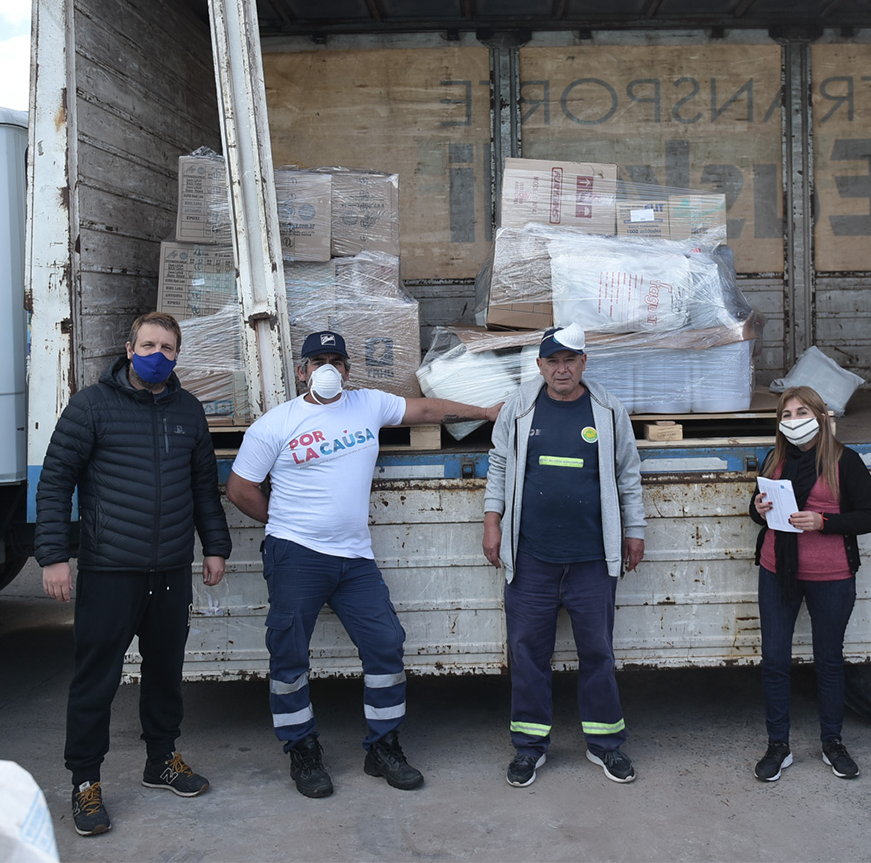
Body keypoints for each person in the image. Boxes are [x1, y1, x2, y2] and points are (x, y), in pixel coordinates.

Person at [225, 330, 501, 799]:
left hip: (354, 557)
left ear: (349, 370)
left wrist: (486, 412)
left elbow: (427, 410)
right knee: (289, 655)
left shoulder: (368, 405)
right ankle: (302, 750)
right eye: (317, 361)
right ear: (301, 371)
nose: (327, 369)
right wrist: (287, 523)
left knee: (386, 644)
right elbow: (240, 488)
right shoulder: (276, 424)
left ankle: (383, 747)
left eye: (336, 360)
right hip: (296, 554)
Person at [33, 311, 233, 837]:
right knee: (95, 680)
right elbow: (55, 482)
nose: (158, 354)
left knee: (165, 673)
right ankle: (84, 782)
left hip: (169, 570)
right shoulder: (91, 407)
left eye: (168, 348)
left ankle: (161, 760)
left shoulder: (188, 411)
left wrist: (215, 547)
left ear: (176, 356)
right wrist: (54, 556)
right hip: (109, 570)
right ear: (128, 348)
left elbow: (201, 488)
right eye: (149, 344)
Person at [482, 325, 646, 787]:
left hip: (592, 559)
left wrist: (635, 530)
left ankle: (606, 745)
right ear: (539, 365)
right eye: (552, 361)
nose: (561, 369)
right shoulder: (519, 408)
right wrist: (492, 522)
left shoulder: (608, 409)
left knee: (597, 652)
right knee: (528, 652)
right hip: (532, 556)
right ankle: (529, 748)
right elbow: (498, 465)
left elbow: (628, 474)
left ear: (584, 363)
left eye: (570, 360)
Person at [747, 386, 871, 783]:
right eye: (785, 415)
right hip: (777, 570)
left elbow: (869, 518)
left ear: (821, 416)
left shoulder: (846, 462)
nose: (793, 421)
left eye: (801, 411)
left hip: (832, 575)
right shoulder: (774, 459)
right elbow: (758, 513)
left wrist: (825, 523)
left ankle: (832, 742)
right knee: (774, 659)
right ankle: (778, 745)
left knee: (829, 660)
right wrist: (756, 508)